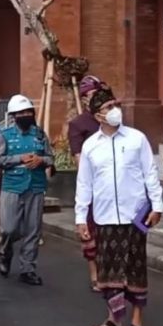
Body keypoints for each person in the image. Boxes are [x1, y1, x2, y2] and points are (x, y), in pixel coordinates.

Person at [76, 88, 163, 326]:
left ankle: (137, 321)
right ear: (98, 116)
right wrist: (81, 217)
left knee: (135, 267)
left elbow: (149, 172)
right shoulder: (91, 146)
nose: (115, 110)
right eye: (108, 107)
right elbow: (84, 184)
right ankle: (114, 318)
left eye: (115, 105)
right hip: (104, 217)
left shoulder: (136, 139)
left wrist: (157, 205)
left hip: (135, 214)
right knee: (108, 269)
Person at [0, 94, 53, 286]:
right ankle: (6, 252)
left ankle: (28, 269)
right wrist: (20, 158)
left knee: (33, 230)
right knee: (9, 228)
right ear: (13, 115)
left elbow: (50, 158)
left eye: (28, 112)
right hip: (12, 187)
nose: (26, 115)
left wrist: (41, 160)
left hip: (35, 187)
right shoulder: (5, 134)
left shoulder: (40, 134)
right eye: (21, 113)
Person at [67, 75, 105, 291]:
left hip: (116, 186)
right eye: (91, 95)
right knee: (91, 230)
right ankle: (94, 273)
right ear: (83, 99)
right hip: (92, 185)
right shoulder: (78, 124)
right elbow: (79, 157)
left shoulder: (112, 119)